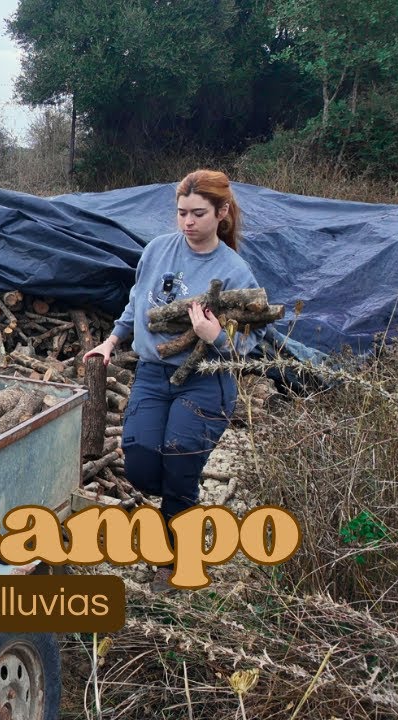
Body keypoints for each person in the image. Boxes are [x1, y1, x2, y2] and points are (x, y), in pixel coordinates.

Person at [83, 169, 264, 594]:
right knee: (143, 462)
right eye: (181, 212)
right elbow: (135, 302)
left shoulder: (235, 272)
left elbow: (248, 346)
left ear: (221, 213)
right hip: (152, 373)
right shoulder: (157, 251)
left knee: (180, 462)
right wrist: (110, 342)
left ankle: (176, 556)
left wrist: (214, 336)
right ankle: (181, 514)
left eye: (198, 213)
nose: (187, 222)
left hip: (205, 381)